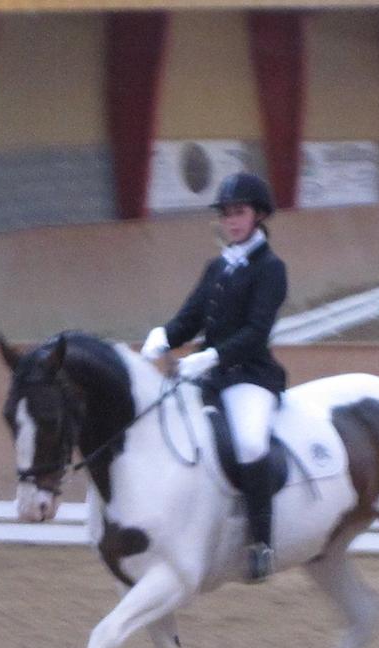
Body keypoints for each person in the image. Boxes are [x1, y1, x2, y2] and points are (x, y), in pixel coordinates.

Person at [141, 171, 288, 583]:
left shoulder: (271, 269)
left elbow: (257, 331)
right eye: (226, 214)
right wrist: (162, 337)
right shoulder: (217, 266)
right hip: (211, 376)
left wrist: (210, 357)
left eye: (239, 213)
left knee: (249, 442)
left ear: (257, 215)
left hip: (251, 377)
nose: (232, 221)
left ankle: (261, 542)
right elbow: (190, 318)